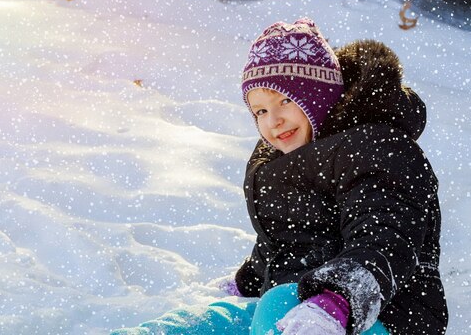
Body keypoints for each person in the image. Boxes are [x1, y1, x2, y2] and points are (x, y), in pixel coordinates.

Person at [111, 18, 448, 335]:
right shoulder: (278, 160)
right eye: (260, 111)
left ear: (319, 96)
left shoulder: (375, 147)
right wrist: (249, 281)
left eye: (286, 100)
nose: (273, 121)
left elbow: (385, 237)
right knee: (205, 322)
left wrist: (336, 301)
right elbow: (285, 238)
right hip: (293, 304)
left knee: (276, 306)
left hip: (380, 313)